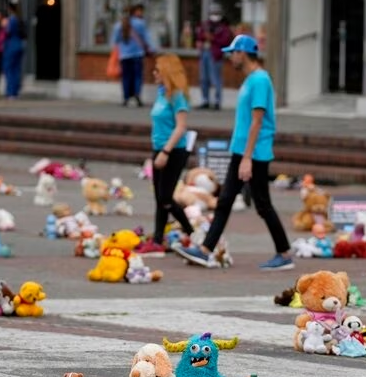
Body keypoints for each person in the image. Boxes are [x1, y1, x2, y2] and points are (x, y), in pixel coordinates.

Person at [175, 35, 294, 271]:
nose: (230, 57)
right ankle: (205, 250)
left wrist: (247, 158)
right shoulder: (252, 79)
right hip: (244, 151)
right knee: (227, 200)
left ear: (243, 53)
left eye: (233, 52)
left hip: (254, 153)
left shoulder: (259, 80)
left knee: (261, 204)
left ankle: (284, 253)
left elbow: (257, 122)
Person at [134, 53, 196, 257]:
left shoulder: (177, 96)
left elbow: (181, 127)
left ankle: (191, 232)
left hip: (173, 151)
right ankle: (158, 239)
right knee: (160, 198)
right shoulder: (162, 94)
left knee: (165, 197)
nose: (153, 73)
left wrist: (166, 151)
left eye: (157, 70)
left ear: (167, 72)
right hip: (159, 149)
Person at [112, 4, 154, 107]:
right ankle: (137, 96)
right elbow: (147, 37)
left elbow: (115, 41)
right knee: (137, 76)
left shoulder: (118, 25)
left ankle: (126, 98)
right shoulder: (140, 23)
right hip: (137, 54)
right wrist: (152, 49)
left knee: (126, 77)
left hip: (124, 55)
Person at [195, 3, 233, 110]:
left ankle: (217, 101)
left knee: (216, 79)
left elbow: (225, 41)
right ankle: (205, 100)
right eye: (213, 13)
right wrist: (203, 38)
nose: (214, 15)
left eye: (216, 13)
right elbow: (199, 35)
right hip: (205, 53)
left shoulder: (224, 27)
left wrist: (213, 38)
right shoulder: (205, 25)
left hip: (216, 55)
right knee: (203, 78)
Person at [3, 1, 26, 100]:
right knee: (16, 69)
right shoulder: (19, 18)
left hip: (11, 46)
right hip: (19, 45)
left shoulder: (11, 20)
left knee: (9, 69)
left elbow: (8, 32)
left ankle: (10, 92)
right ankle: (15, 91)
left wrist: (3, 26)